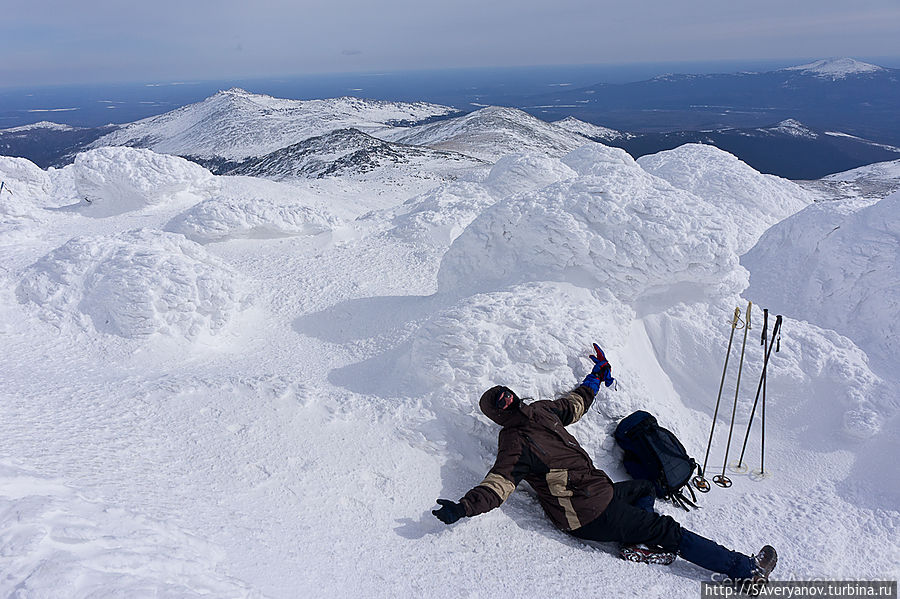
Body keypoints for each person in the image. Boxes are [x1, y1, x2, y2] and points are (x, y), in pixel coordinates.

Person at [432, 344, 777, 584]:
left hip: (600, 492)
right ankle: (744, 571)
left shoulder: (540, 411)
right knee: (668, 530)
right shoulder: (513, 444)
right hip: (586, 515)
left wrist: (597, 375)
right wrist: (463, 508)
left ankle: (636, 539)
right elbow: (498, 485)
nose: (507, 400)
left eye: (506, 394)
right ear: (498, 415)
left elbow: (575, 404)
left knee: (644, 487)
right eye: (501, 403)